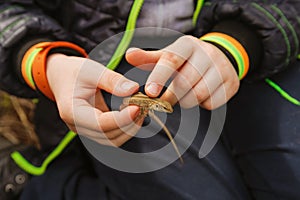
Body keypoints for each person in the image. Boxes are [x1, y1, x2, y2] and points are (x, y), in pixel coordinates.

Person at [0, 0, 299, 199]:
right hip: (105, 73)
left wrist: (235, 42)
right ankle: (35, 184)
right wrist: (44, 63)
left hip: (251, 57)